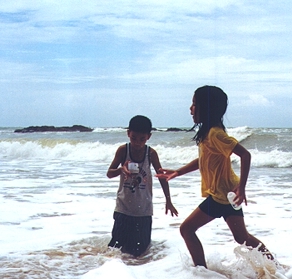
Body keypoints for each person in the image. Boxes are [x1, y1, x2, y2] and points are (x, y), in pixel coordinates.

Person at [156, 86, 275, 268]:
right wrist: (178, 172)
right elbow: (204, 159)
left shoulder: (215, 134)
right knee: (241, 237)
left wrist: (242, 188)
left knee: (187, 229)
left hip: (223, 196)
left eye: (194, 104)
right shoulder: (208, 133)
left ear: (206, 107)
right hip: (227, 194)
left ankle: (201, 271)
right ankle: (275, 266)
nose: (191, 108)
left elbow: (245, 155)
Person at [107, 115, 178, 257]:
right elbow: (109, 173)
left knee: (140, 253)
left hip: (143, 211)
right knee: (115, 251)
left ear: (149, 137)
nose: (137, 143)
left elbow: (162, 178)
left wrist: (168, 200)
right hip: (123, 209)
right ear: (128, 133)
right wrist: (121, 170)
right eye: (133, 138)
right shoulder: (123, 150)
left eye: (142, 139)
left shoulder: (150, 154)